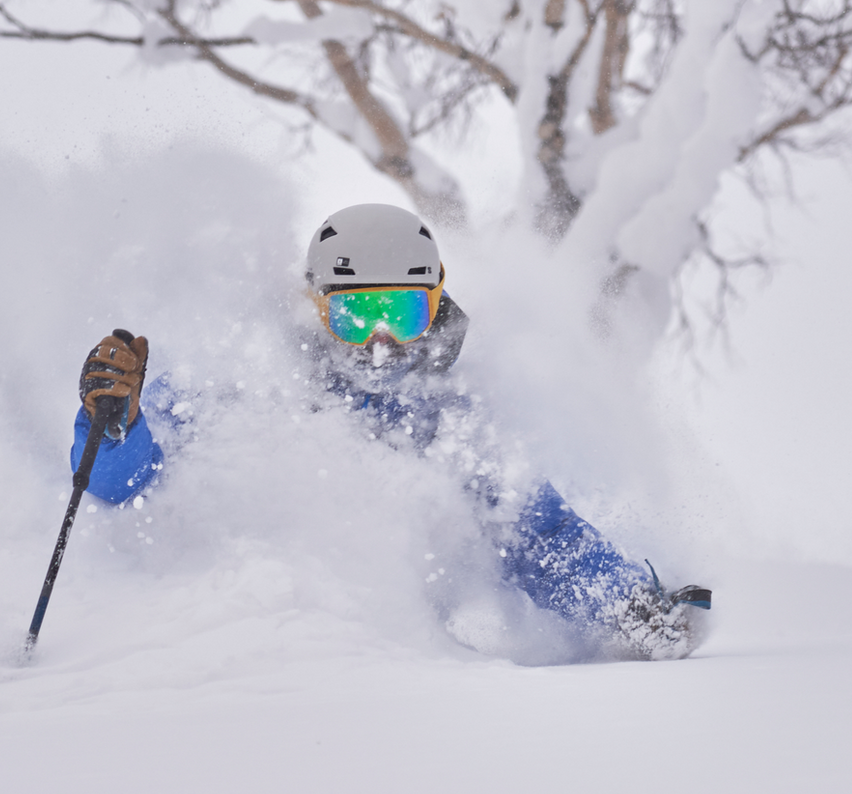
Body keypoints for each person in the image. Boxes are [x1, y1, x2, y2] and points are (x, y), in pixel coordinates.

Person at [71, 203, 711, 661]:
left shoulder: (451, 420)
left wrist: (624, 606)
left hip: (387, 666)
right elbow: (124, 487)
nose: (379, 342)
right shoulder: (255, 372)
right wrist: (117, 423)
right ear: (315, 307)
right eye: (354, 314)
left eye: (402, 312)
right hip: (235, 650)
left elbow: (540, 537)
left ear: (436, 308)